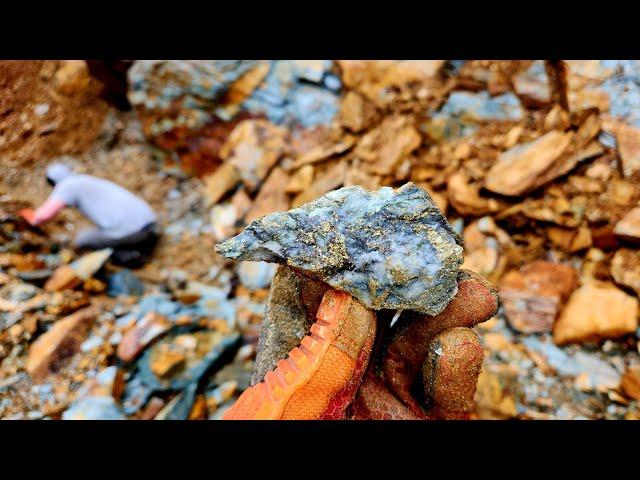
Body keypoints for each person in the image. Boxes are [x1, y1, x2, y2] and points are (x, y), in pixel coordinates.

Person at [20, 163, 160, 268]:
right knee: (100, 233)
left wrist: (26, 216)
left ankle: (128, 256)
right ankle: (134, 249)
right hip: (150, 223)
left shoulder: (68, 186)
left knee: (82, 240)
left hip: (134, 231)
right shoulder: (84, 180)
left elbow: (42, 216)